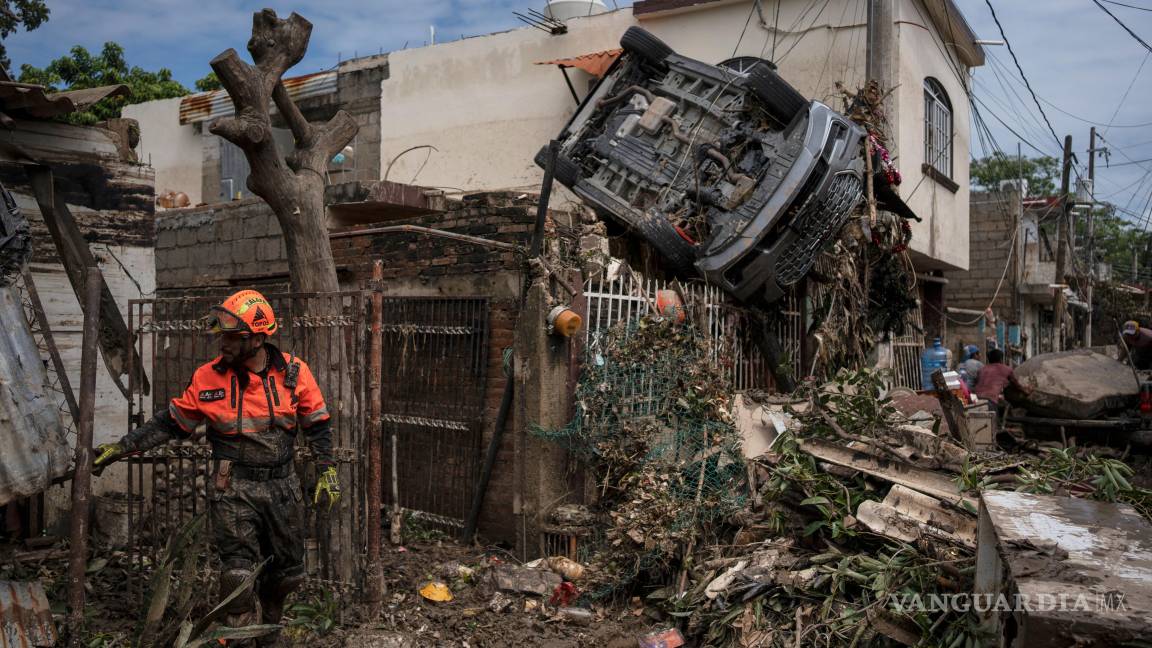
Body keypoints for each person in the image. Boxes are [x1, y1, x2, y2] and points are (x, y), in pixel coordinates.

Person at [94, 290, 340, 644]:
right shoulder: (207, 378)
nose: (222, 343)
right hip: (234, 489)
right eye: (221, 335)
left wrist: (327, 469)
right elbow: (170, 423)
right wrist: (123, 446)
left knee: (288, 574)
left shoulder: (295, 374)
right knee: (237, 575)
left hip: (282, 488)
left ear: (257, 338)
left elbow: (317, 425)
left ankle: (269, 628)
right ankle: (237, 637)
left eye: (232, 337)